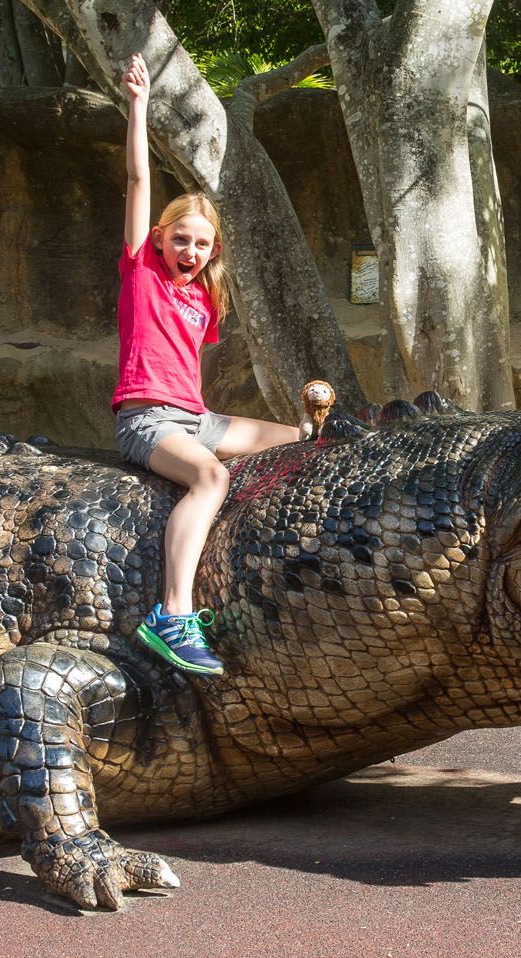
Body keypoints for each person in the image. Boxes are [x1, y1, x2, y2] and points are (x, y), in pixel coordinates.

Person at [113, 54, 302, 676]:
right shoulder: (142, 272)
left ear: (211, 250)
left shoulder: (200, 297)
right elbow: (140, 183)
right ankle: (171, 615)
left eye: (201, 243)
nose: (189, 250)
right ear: (161, 239)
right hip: (147, 422)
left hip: (197, 419)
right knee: (210, 479)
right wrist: (139, 107)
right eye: (180, 238)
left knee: (304, 440)